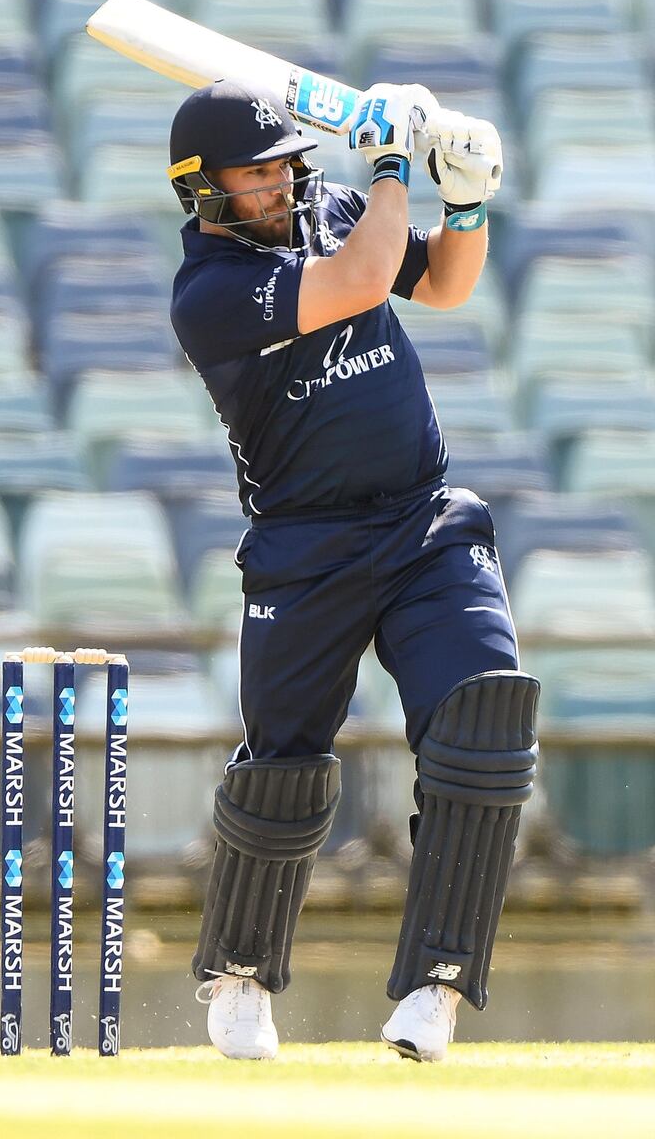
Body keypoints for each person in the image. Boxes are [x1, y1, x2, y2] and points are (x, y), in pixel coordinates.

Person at [167, 79, 539, 1062]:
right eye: (262, 170)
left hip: (423, 520)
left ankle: (437, 984)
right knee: (284, 767)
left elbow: (443, 284)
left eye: (293, 161)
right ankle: (240, 975)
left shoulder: (327, 211)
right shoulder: (208, 295)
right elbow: (361, 281)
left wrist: (462, 200)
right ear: (201, 191)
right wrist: (385, 165)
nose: (289, 181)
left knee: (483, 721)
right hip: (305, 548)